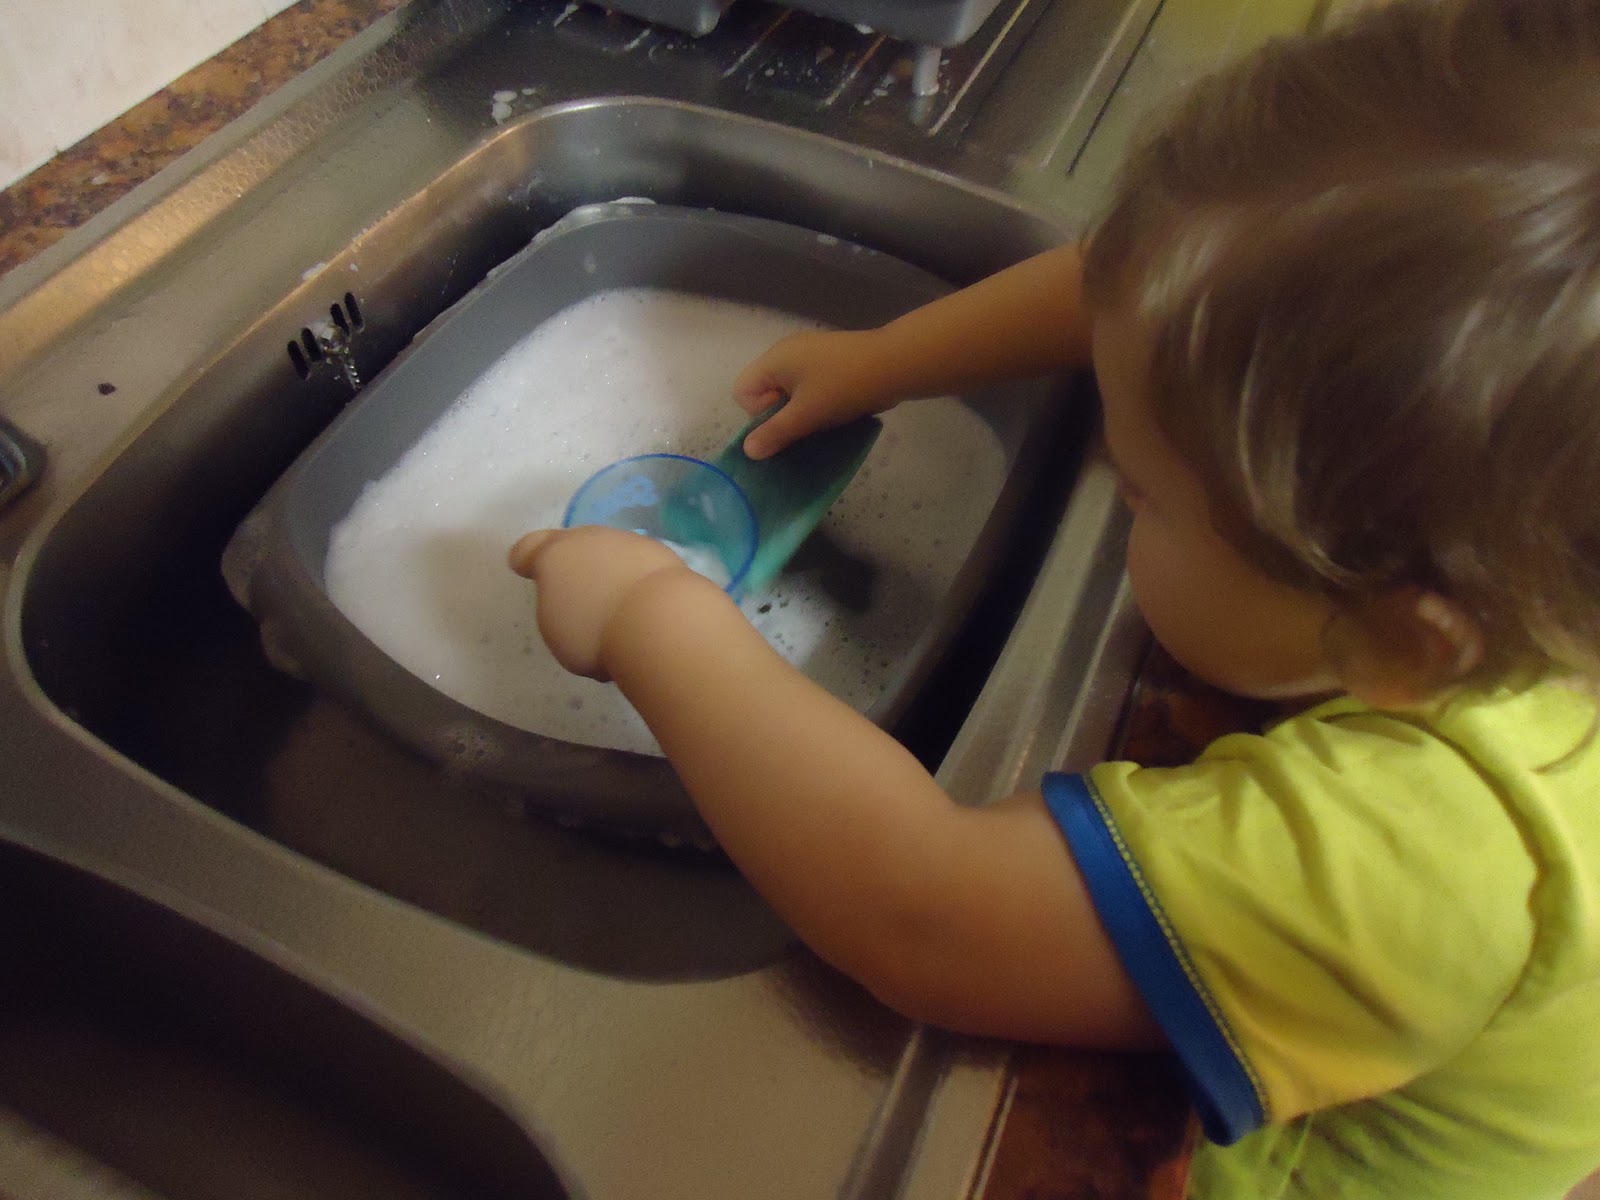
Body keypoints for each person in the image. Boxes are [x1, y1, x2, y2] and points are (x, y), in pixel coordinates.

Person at [506, 0, 1600, 1195]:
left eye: (1139, 493)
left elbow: (919, 912)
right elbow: (1134, 283)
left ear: (1402, 642)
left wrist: (650, 618)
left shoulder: (1414, 859)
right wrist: (892, 358)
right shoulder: (1524, 536)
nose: (1115, 492)